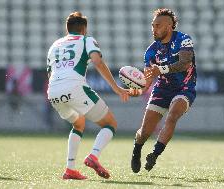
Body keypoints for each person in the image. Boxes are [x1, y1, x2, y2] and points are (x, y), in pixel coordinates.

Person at [46, 11, 129, 180]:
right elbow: (97, 61)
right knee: (110, 123)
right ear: (84, 29)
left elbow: (50, 72)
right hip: (74, 86)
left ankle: (70, 169)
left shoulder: (55, 45)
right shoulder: (86, 39)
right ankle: (93, 156)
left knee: (78, 123)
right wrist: (116, 88)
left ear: (67, 28)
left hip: (53, 91)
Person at [129, 8, 197, 173]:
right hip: (161, 90)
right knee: (145, 131)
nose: (154, 29)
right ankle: (137, 149)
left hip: (184, 88)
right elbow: (149, 79)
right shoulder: (151, 51)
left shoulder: (183, 39)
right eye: (153, 25)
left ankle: (155, 154)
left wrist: (162, 69)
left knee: (173, 114)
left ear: (169, 26)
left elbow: (185, 63)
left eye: (158, 25)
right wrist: (137, 90)